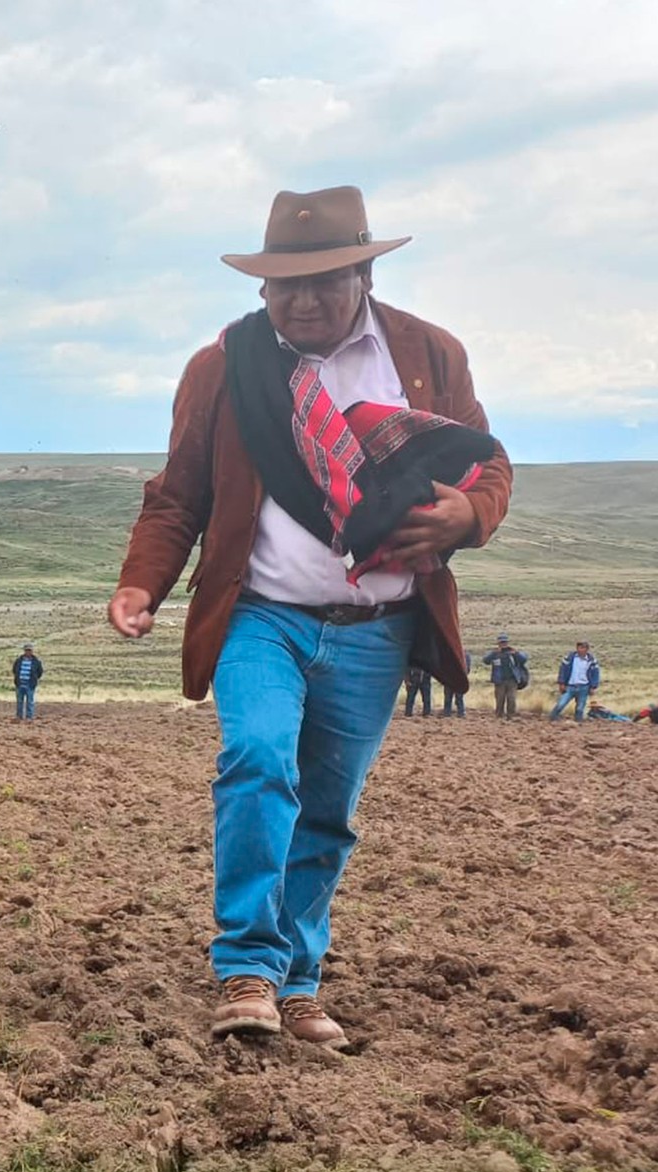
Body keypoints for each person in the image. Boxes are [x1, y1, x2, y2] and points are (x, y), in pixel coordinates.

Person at [108, 185, 511, 1050]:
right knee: (257, 761)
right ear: (261, 291)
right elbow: (178, 494)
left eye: (325, 281)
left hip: (377, 629)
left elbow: (488, 461)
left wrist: (465, 517)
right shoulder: (224, 367)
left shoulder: (428, 354)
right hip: (264, 615)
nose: (303, 300)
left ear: (363, 272)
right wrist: (141, 582)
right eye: (285, 285)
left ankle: (296, 981)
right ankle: (246, 966)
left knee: (328, 809)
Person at [551, 641, 600, 722]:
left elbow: (595, 674)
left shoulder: (592, 661)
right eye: (579, 648)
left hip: (584, 687)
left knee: (580, 707)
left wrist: (593, 686)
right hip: (570, 686)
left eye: (583, 648)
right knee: (561, 703)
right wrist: (561, 682)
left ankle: (578, 722)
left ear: (587, 649)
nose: (581, 650)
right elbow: (563, 670)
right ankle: (553, 718)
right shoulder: (569, 658)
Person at [484, 634, 527, 719]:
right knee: (500, 699)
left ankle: (511, 715)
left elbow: (523, 659)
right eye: (501, 642)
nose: (503, 644)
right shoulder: (495, 653)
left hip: (512, 680)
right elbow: (486, 661)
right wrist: (494, 653)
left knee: (511, 698)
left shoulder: (513, 652)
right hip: (499, 680)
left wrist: (516, 653)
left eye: (505, 642)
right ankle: (499, 715)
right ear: (498, 643)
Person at [11, 643, 44, 720]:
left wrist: (34, 679)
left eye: (29, 650)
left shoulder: (36, 661)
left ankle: (29, 717)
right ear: (24, 651)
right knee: (19, 702)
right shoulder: (18, 660)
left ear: (32, 651)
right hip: (20, 684)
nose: (28, 652)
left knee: (30, 702)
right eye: (27, 650)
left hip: (30, 685)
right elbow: (14, 670)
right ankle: (19, 716)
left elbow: (40, 672)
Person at [441, 647, 470, 717]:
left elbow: (467, 669)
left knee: (459, 697)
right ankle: (447, 712)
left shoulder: (465, 656)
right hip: (449, 679)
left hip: (458, 680)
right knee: (448, 697)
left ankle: (461, 712)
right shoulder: (446, 656)